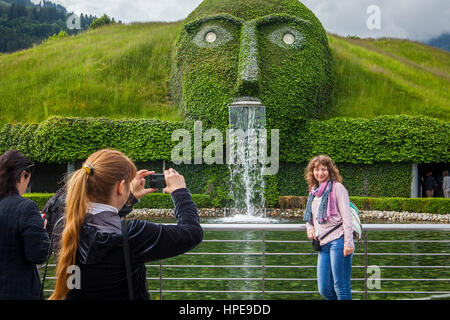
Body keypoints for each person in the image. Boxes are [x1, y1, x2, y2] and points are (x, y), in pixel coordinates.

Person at [49, 149, 203, 300]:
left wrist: (129, 197)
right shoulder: (132, 233)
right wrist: (180, 191)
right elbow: (191, 233)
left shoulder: (64, 224)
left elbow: (102, 221)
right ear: (121, 186)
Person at [0, 150, 50, 300]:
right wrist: (42, 229)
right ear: (23, 175)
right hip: (18, 291)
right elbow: (38, 254)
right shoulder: (26, 207)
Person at [304, 155, 354, 300]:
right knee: (324, 289)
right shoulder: (314, 190)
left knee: (341, 286)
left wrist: (348, 243)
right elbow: (309, 215)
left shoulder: (338, 188)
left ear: (330, 171)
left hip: (339, 241)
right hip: (323, 243)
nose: (320, 173)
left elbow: (347, 218)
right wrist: (309, 228)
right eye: (317, 170)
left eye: (324, 169)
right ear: (312, 172)